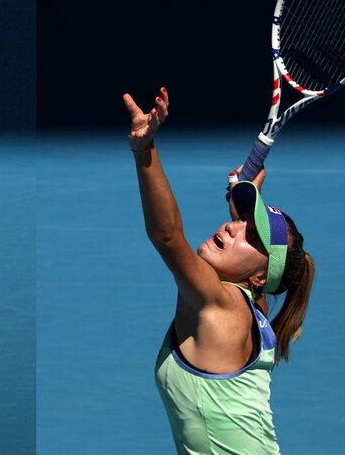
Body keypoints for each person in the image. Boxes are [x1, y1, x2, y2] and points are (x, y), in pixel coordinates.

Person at [124, 88, 315, 454]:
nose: (232, 228)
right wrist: (241, 198)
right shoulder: (254, 305)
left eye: (250, 235)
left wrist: (144, 150)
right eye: (241, 221)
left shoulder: (222, 303)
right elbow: (248, 250)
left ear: (259, 277)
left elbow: (166, 236)